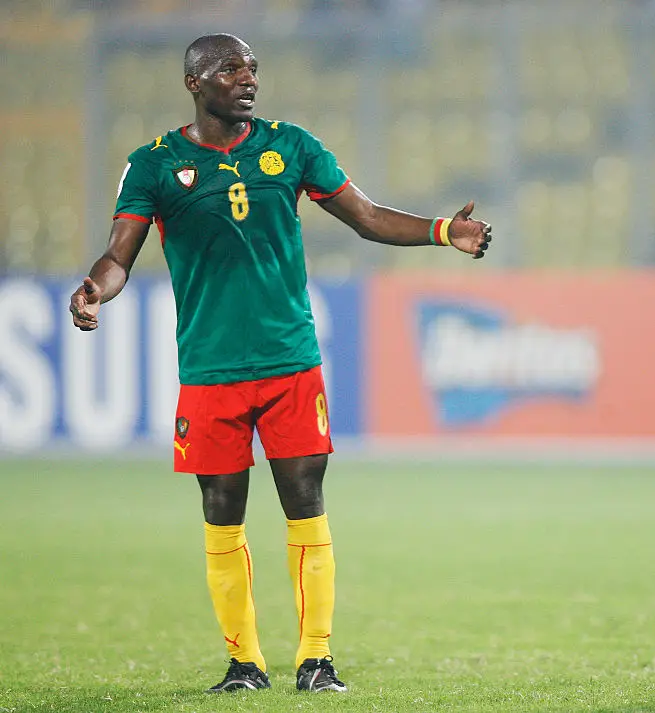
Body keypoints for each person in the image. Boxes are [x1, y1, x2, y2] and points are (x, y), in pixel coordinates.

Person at [69, 33, 492, 694]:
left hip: (290, 358)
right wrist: (95, 289)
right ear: (195, 82)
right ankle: (245, 663)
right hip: (210, 367)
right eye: (232, 68)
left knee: (305, 498)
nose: (249, 79)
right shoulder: (152, 164)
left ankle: (316, 659)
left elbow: (368, 216)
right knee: (221, 506)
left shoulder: (291, 145)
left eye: (254, 68)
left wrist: (444, 230)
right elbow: (118, 256)